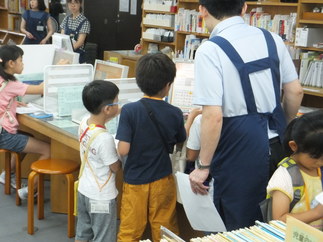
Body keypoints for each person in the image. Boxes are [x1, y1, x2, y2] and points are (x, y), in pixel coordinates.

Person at [189, 0, 304, 231]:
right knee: (275, 218)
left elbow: (213, 116)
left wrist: (203, 166)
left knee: (235, 226)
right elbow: (295, 91)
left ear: (202, 10)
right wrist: (286, 124)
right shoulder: (273, 39)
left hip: (238, 148)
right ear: (244, 8)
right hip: (278, 143)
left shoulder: (210, 50)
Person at [116, 53, 187, 241]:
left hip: (135, 180)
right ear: (168, 86)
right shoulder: (175, 112)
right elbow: (180, 140)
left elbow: (123, 150)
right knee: (165, 229)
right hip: (162, 178)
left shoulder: (130, 111)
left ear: (139, 81)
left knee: (130, 229)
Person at [0, 45, 50, 199]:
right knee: (48, 150)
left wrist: (12, 102)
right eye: (21, 60)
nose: (23, 64)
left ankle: (7, 174)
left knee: (28, 136)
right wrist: (55, 70)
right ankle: (29, 191)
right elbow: (42, 88)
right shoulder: (11, 84)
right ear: (11, 63)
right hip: (4, 135)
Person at [75, 80, 121, 242]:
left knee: (83, 233)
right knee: (103, 237)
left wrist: (119, 109)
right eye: (117, 102)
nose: (118, 104)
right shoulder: (105, 139)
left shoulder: (84, 122)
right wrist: (120, 153)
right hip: (101, 197)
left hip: (83, 190)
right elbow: (114, 167)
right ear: (107, 109)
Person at [267, 110, 323, 230]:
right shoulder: (285, 176)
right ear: (294, 146)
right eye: (315, 157)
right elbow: (278, 220)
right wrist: (317, 213)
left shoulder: (319, 168)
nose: (320, 163)